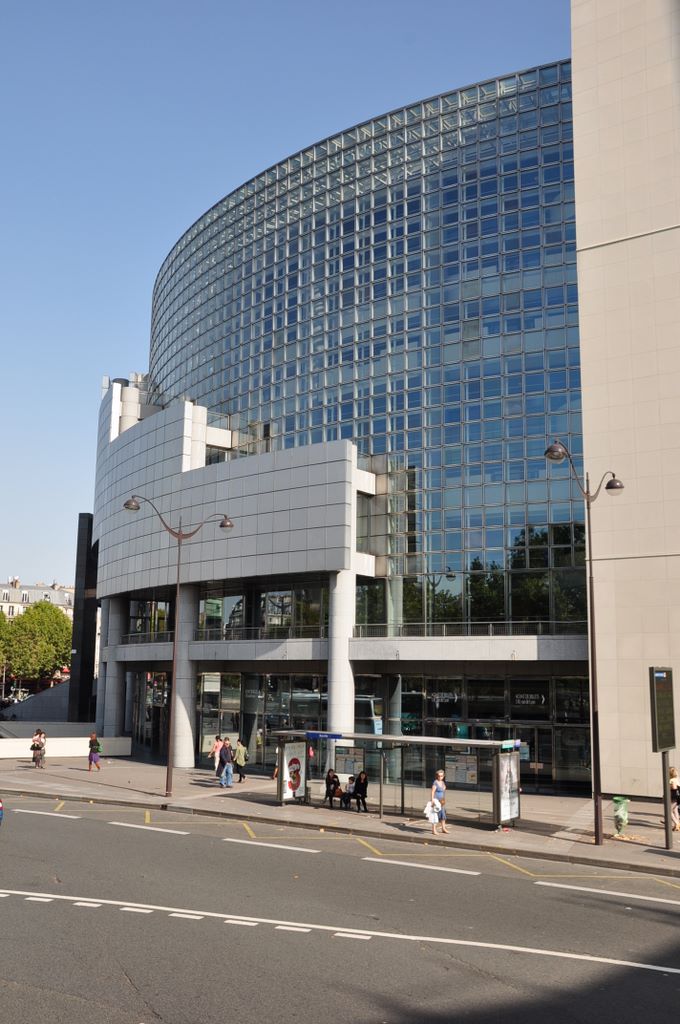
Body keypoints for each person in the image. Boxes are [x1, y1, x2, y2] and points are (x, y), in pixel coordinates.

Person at [431, 769, 449, 834]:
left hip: (441, 801)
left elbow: (443, 789)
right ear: (437, 776)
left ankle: (443, 828)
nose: (440, 777)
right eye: (439, 776)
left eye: (441, 776)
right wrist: (432, 800)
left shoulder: (442, 783)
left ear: (443, 776)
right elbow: (432, 792)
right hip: (436, 801)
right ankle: (433, 830)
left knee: (443, 815)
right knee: (435, 815)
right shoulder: (435, 782)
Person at [670, 766, 680, 831]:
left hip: (674, 796)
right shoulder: (677, 779)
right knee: (675, 810)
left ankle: (677, 823)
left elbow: (674, 788)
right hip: (679, 796)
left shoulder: (671, 780)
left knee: (669, 811)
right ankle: (677, 825)